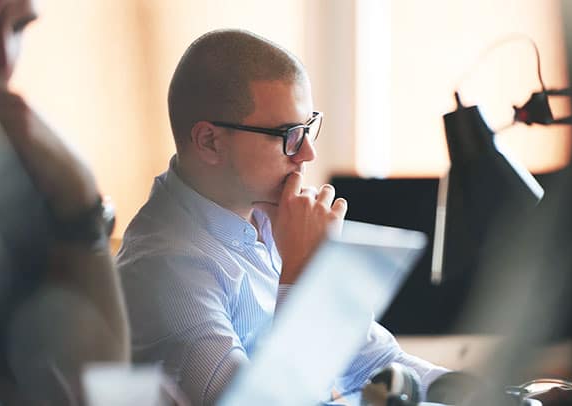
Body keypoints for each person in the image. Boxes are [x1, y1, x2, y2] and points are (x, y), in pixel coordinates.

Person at [117, 28, 448, 405]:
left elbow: (376, 360)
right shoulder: (164, 269)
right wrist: (303, 273)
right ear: (210, 141)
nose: (308, 154)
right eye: (289, 134)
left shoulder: (270, 220)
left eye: (308, 128)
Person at [0, 0, 130, 403]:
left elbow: (97, 379)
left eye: (18, 27)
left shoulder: (1, 175)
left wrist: (80, 199)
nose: (2, 60)